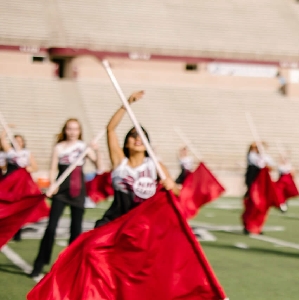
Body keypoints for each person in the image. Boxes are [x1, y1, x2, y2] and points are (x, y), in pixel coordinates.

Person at [30, 119, 102, 277]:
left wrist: (96, 151)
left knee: (75, 231)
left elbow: (98, 166)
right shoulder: (59, 147)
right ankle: (39, 263)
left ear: (79, 131)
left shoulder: (83, 147)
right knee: (51, 228)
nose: (72, 132)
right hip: (61, 191)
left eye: (75, 129)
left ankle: (71, 267)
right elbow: (53, 167)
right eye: (69, 129)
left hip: (78, 192)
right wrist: (52, 184)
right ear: (65, 130)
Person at [95, 91, 178, 228]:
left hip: (143, 225)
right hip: (116, 221)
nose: (138, 138)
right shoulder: (120, 162)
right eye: (133, 135)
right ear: (127, 142)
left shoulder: (154, 166)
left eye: (142, 136)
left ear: (148, 145)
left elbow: (176, 192)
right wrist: (127, 104)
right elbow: (110, 129)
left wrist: (171, 185)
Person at [1, 128, 38, 241]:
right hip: (10, 180)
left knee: (19, 206)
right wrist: (6, 129)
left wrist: (28, 168)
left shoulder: (26, 153)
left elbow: (35, 167)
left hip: (21, 182)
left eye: (20, 141)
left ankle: (18, 232)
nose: (18, 143)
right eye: (15, 141)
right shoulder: (10, 151)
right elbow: (2, 139)